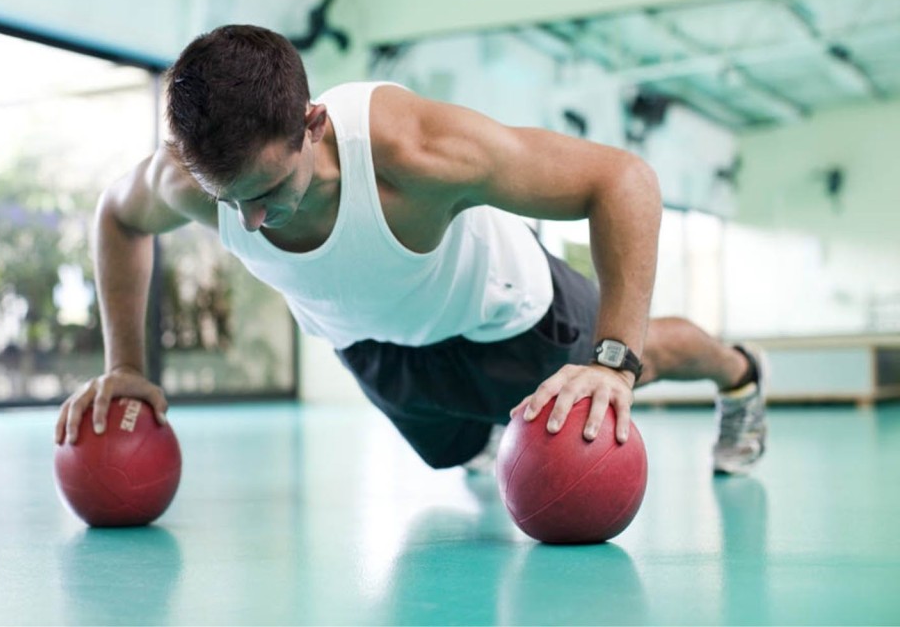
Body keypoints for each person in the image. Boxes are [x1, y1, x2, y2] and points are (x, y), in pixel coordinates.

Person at [53, 25, 767, 476]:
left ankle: (738, 376)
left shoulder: (417, 151)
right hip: (377, 348)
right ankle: (493, 423)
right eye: (229, 198)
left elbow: (624, 181)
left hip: (507, 318)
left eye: (268, 189)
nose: (252, 219)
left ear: (312, 124)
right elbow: (117, 217)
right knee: (448, 455)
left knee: (641, 358)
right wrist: (126, 367)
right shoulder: (186, 181)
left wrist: (614, 362)